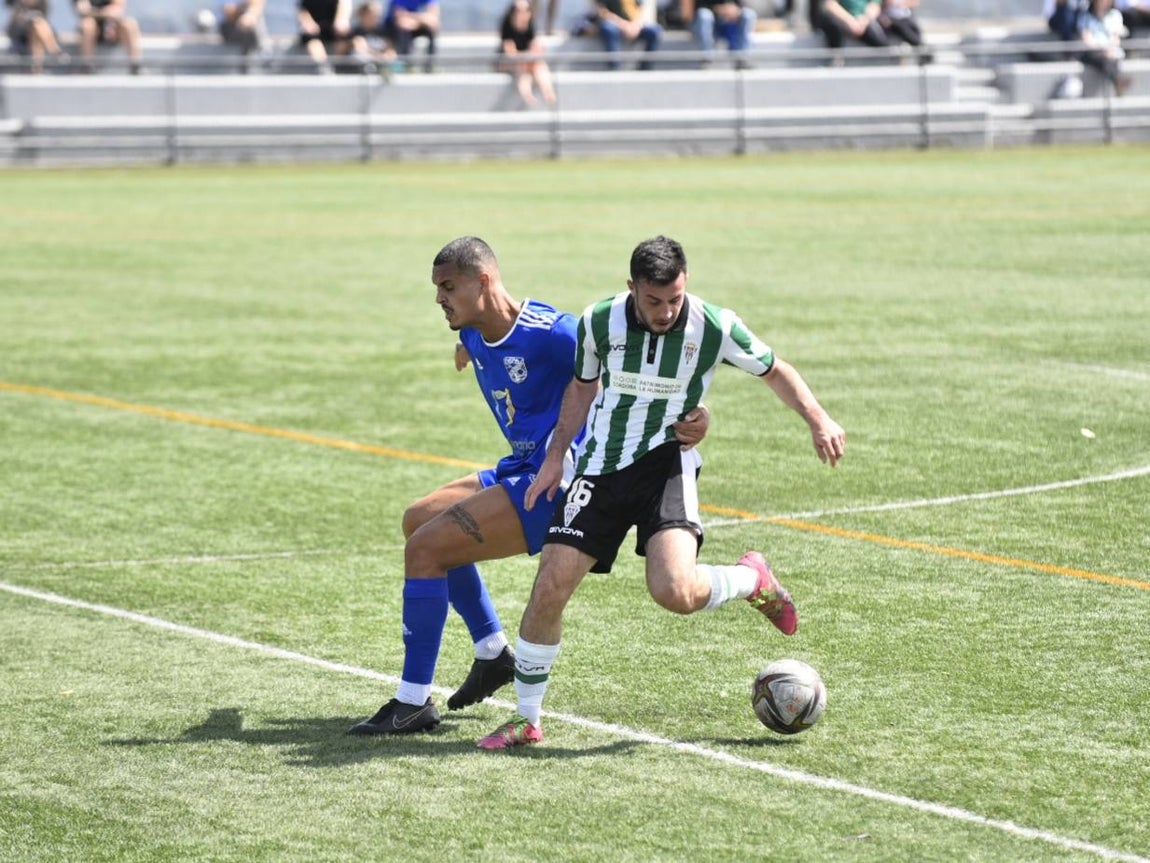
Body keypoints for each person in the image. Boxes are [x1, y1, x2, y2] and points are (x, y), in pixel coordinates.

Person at [477, 235, 846, 750]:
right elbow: (582, 387)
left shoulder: (715, 325)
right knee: (549, 588)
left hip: (666, 466)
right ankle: (526, 719)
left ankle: (750, 578)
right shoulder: (598, 321)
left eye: (675, 298)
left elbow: (775, 370)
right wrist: (558, 456)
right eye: (654, 301)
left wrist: (818, 418)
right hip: (599, 468)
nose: (667, 311)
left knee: (674, 593)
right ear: (632, 289)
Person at [348, 236, 711, 736]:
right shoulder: (474, 329)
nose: (439, 298)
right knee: (417, 520)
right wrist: (463, 346)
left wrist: (693, 417)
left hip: (555, 482)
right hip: (519, 466)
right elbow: (480, 343)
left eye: (448, 287)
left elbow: (628, 375)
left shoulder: (556, 333)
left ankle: (412, 702)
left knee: (426, 551)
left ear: (484, 282)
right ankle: (492, 653)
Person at [497, 0, 557, 106]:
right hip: (507, 63)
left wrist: (533, 54)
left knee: (540, 66)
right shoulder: (507, 26)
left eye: (526, 10)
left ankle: (548, 92)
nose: (523, 13)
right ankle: (527, 96)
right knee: (523, 71)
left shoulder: (530, 26)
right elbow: (510, 52)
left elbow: (534, 46)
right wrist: (527, 57)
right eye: (519, 11)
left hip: (525, 60)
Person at [297, 0, 369, 74]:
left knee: (354, 38)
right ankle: (324, 67)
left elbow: (344, 5)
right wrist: (308, 23)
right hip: (316, 30)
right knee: (312, 41)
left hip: (334, 28)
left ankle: (341, 65)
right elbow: (303, 10)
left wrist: (342, 19)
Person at [1078, 0, 1134, 94]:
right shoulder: (1085, 16)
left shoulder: (1115, 14)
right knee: (1105, 59)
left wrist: (1109, 49)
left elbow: (1116, 38)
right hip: (1093, 52)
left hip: (1110, 52)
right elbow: (1086, 38)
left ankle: (1118, 81)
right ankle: (1118, 81)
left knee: (1109, 59)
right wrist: (1101, 49)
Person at [72, 0, 142, 74]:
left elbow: (117, 11)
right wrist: (105, 12)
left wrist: (94, 12)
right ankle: (86, 65)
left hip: (113, 28)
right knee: (87, 24)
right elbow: (82, 10)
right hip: (94, 31)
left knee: (130, 24)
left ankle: (135, 65)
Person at [680, 0, 756, 67]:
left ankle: (742, 57)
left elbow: (741, 5)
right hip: (706, 24)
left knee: (748, 14)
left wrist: (735, 10)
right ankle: (706, 57)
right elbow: (698, 8)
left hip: (728, 22)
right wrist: (720, 9)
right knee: (704, 15)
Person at [592, 0, 663, 70]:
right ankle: (614, 67)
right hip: (615, 24)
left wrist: (635, 25)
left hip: (634, 25)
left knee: (654, 30)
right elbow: (602, 12)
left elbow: (640, 10)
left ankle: (645, 68)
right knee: (608, 28)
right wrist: (623, 25)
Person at [5, 0, 68, 73]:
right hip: (22, 36)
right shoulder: (17, 5)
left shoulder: (42, 4)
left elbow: (45, 19)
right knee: (38, 24)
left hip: (40, 36)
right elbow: (13, 24)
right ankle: (54, 50)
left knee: (38, 26)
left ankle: (36, 68)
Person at [815, 0, 890, 57]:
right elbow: (830, 4)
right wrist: (850, 21)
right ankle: (835, 60)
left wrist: (864, 21)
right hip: (842, 20)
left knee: (882, 43)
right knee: (833, 27)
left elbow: (874, 6)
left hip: (863, 22)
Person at [383, 0, 439, 73]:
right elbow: (400, 19)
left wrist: (413, 19)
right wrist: (423, 18)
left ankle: (429, 66)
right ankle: (405, 65)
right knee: (404, 32)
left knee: (430, 31)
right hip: (392, 29)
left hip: (414, 24)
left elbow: (433, 20)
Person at [219, 0, 268, 65]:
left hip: (249, 28)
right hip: (231, 27)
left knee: (249, 27)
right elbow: (227, 8)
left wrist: (250, 14)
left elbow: (257, 5)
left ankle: (265, 55)